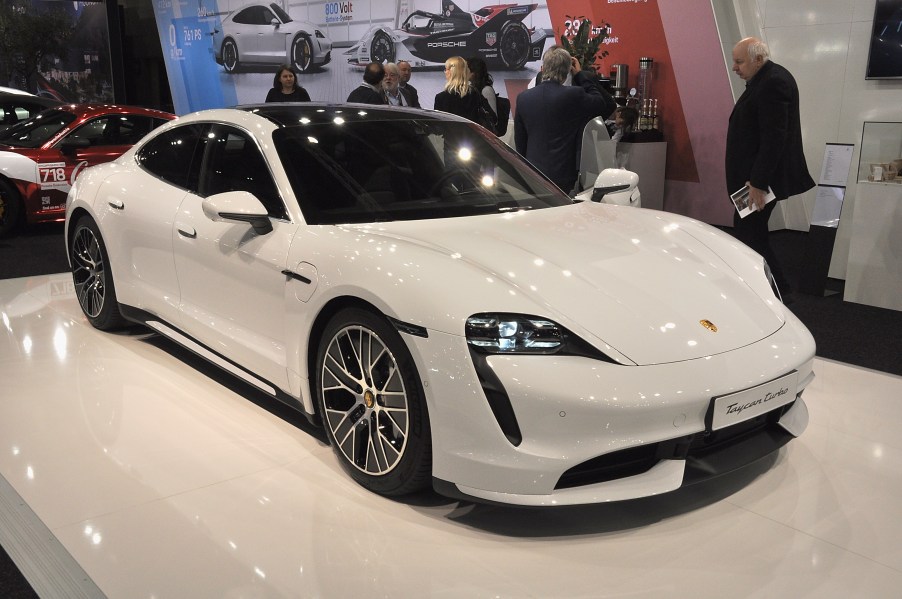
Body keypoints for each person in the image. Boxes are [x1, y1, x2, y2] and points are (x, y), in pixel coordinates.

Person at [726, 37, 814, 301]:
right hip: (756, 178)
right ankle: (768, 287)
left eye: (739, 61)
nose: (734, 67)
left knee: (749, 232)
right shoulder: (765, 79)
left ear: (758, 59)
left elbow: (775, 137)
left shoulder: (773, 82)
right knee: (749, 231)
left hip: (761, 180)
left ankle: (776, 289)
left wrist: (758, 183)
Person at [514, 47, 616, 193]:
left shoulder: (523, 97)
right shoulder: (573, 95)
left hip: (533, 171)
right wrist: (581, 75)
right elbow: (600, 104)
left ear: (543, 68)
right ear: (568, 70)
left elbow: (520, 140)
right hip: (563, 172)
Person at [433, 56, 483, 123]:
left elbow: (438, 124)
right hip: (472, 132)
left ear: (452, 72)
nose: (445, 72)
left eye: (446, 69)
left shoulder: (441, 97)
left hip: (450, 133)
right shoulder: (475, 93)